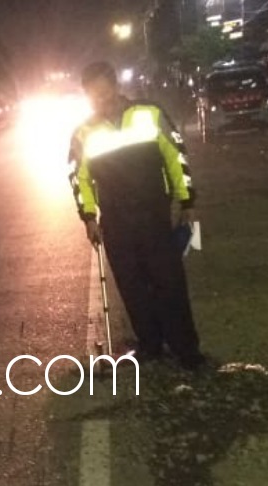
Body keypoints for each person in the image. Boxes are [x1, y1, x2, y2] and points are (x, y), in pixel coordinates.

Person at [69, 60, 206, 370]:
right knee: (132, 288)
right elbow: (79, 178)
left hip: (154, 216)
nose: (101, 99)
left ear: (116, 86)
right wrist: (88, 216)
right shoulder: (83, 133)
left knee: (169, 283)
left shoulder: (150, 114)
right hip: (116, 221)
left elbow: (176, 158)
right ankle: (150, 345)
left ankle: (186, 349)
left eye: (104, 91)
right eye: (94, 95)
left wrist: (187, 201)